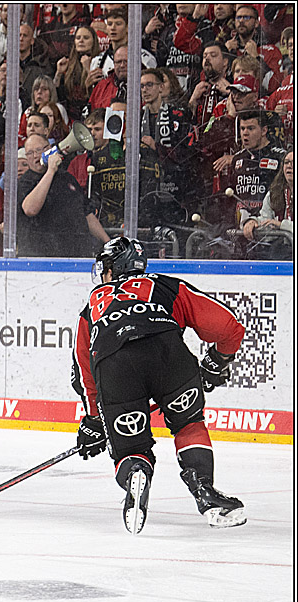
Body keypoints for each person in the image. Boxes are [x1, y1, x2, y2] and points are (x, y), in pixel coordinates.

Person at [72, 237, 247, 534]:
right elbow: (229, 326)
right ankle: (206, 492)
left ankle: (136, 471)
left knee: (131, 447)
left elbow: (84, 370)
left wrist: (94, 421)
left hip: (115, 368)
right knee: (188, 423)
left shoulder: (92, 306)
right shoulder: (165, 285)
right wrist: (217, 361)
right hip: (168, 356)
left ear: (113, 268)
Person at [18, 134, 109, 257]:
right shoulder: (24, 182)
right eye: (30, 153)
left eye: (39, 150)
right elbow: (30, 209)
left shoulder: (66, 178)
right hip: (41, 257)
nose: (35, 156)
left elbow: (86, 213)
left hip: (75, 253)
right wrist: (50, 171)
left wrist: (108, 242)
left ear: (49, 149)